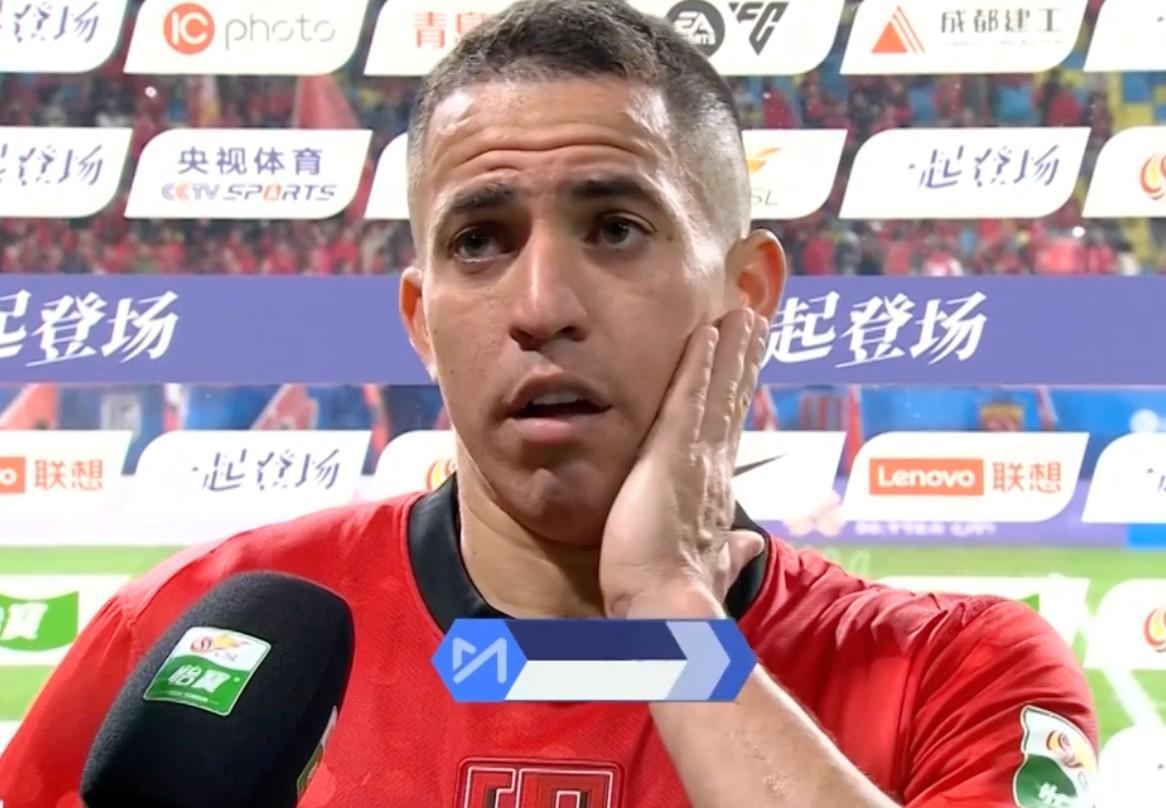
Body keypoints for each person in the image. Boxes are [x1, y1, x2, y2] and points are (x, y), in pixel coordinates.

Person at [0, 2, 1098, 806]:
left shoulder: (957, 674)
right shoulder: (198, 630)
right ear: (421, 319)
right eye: (480, 241)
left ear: (748, 294)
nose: (540, 306)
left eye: (615, 228)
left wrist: (667, 611)